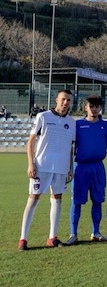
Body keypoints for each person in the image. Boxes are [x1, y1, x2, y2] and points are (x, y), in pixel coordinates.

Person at [18, 89, 76, 250]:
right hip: (42, 165)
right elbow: (31, 141)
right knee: (33, 198)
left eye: (69, 100)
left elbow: (70, 147)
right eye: (63, 99)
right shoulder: (43, 117)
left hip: (61, 167)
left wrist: (70, 168)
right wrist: (31, 163)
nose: (65, 103)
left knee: (57, 199)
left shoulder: (72, 122)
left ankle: (52, 237)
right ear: (57, 100)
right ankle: (23, 238)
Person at [66, 95, 107, 245]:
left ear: (100, 108)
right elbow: (70, 147)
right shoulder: (77, 125)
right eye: (91, 106)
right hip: (81, 168)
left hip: (98, 167)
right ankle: (73, 233)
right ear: (85, 107)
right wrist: (69, 168)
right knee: (76, 201)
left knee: (97, 200)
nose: (94, 109)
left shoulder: (105, 126)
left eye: (97, 106)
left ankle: (96, 232)